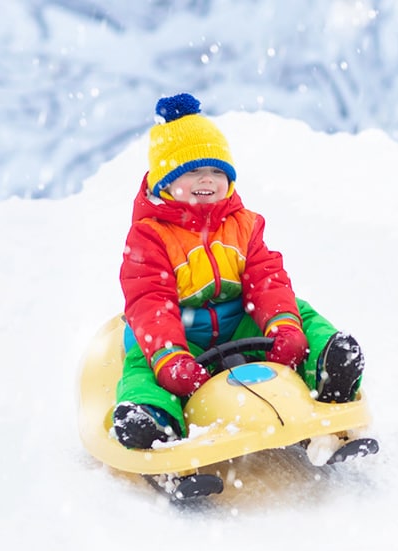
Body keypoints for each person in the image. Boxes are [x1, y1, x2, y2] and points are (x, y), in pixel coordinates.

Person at [112, 93, 365, 448]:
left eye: (218, 171)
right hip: (182, 333)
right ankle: (152, 416)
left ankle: (329, 370)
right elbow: (149, 300)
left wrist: (283, 327)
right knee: (143, 358)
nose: (208, 180)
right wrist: (171, 356)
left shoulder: (243, 224)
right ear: (165, 181)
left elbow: (266, 279)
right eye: (194, 170)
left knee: (300, 311)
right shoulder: (150, 235)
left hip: (238, 322)